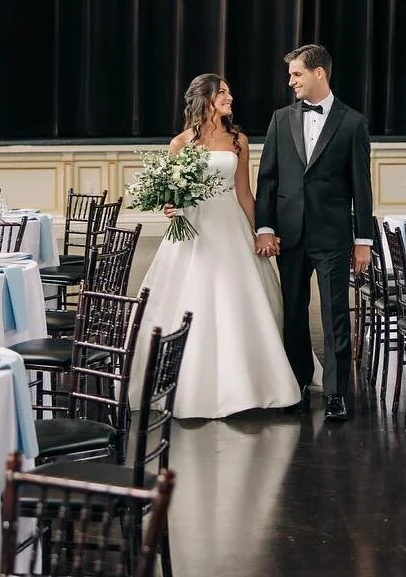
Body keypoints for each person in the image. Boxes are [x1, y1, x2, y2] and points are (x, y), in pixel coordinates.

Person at [127, 74, 301, 419]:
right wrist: (169, 205)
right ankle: (191, 386)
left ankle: (253, 385)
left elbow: (244, 193)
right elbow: (172, 196)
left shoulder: (238, 140)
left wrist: (261, 232)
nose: (230, 97)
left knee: (240, 299)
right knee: (193, 299)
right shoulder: (180, 144)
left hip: (231, 227)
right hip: (194, 231)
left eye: (229, 91)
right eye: (223, 92)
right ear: (204, 98)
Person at [255, 44, 374, 421]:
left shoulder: (352, 122)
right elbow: (268, 178)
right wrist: (265, 227)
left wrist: (363, 241)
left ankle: (338, 393)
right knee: (293, 312)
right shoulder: (280, 119)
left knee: (336, 312)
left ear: (319, 73)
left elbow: (362, 186)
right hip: (289, 235)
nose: (290, 82)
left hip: (334, 236)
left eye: (297, 75)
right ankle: (298, 382)